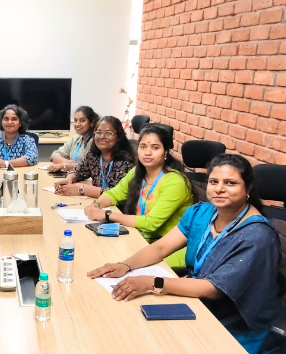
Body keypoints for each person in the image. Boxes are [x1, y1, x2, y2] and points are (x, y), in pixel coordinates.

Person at [87, 154, 283, 354]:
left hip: (235, 316)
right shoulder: (202, 212)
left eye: (230, 183)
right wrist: (125, 265)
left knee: (170, 349)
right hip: (198, 299)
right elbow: (162, 246)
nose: (219, 189)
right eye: (214, 181)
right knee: (132, 319)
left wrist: (154, 283)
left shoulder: (258, 235)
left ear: (248, 189)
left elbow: (213, 289)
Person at [84, 124, 194, 267]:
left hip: (166, 249)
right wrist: (97, 204)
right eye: (143, 147)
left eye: (155, 148)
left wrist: (107, 214)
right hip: (139, 239)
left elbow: (151, 223)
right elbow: (114, 193)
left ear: (166, 152)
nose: (147, 152)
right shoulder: (138, 172)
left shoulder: (175, 182)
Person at [54, 116, 134, 198]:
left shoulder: (126, 161)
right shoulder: (93, 156)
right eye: (98, 132)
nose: (102, 136)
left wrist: (81, 190)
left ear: (119, 137)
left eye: (108, 133)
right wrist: (69, 179)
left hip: (117, 205)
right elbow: (77, 171)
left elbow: (117, 193)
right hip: (98, 202)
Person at [48, 106, 99, 172]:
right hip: (72, 175)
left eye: (82, 120)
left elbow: (87, 167)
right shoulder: (75, 139)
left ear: (92, 123)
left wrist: (64, 166)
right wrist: (65, 161)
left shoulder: (94, 141)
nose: (77, 124)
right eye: (75, 120)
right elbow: (54, 154)